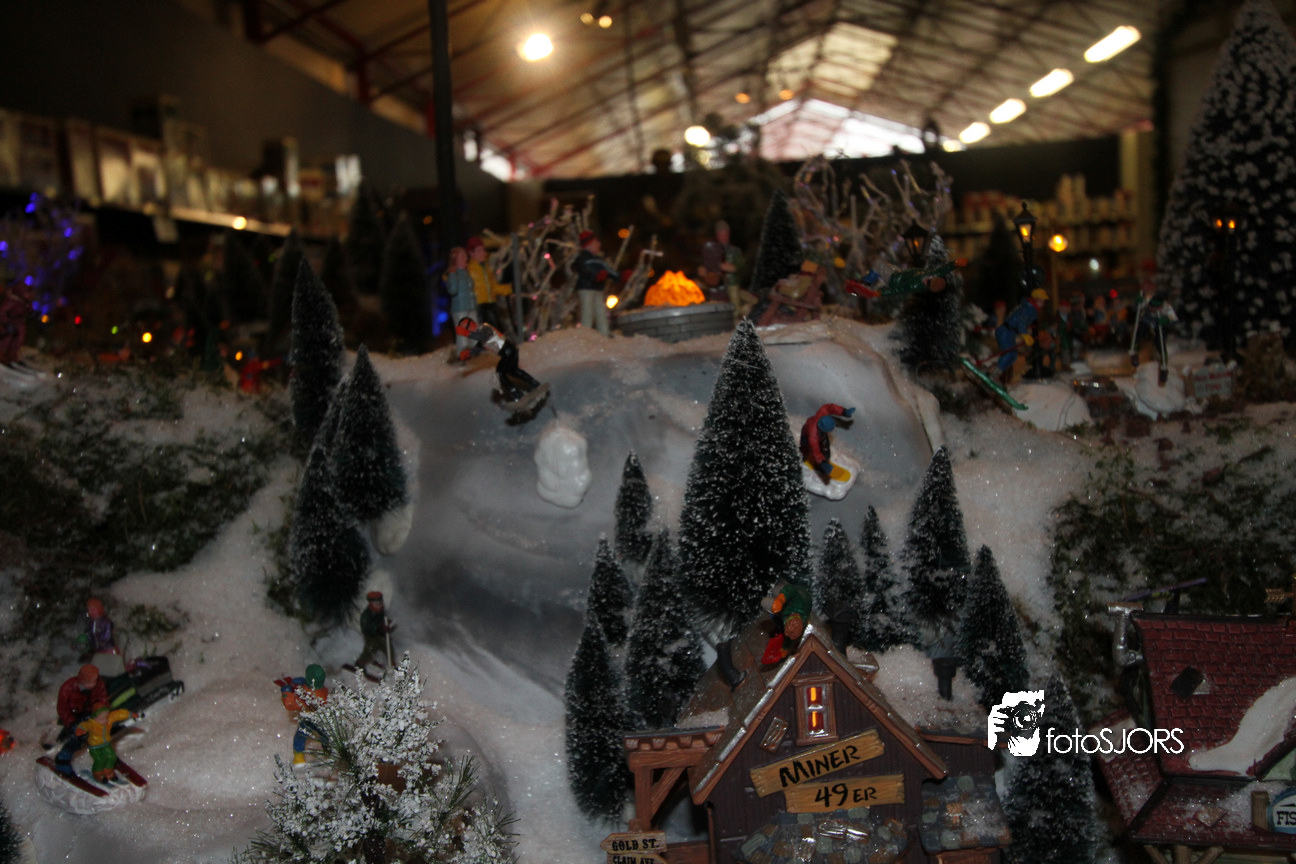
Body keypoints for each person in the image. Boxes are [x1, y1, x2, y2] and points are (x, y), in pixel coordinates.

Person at [457, 317, 543, 403]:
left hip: (507, 351)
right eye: (466, 328)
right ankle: (534, 384)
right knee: (513, 370)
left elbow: (483, 337)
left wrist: (466, 334)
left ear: (473, 322)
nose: (469, 329)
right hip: (508, 351)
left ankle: (517, 394)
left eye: (468, 325)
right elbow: (480, 347)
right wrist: (468, 352)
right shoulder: (480, 335)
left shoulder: (484, 328)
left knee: (500, 374)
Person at [53, 664, 109, 774]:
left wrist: (101, 713)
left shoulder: (99, 684)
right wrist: (72, 723)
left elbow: (102, 700)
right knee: (78, 736)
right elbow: (62, 709)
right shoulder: (67, 688)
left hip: (91, 714)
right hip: (74, 717)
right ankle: (63, 758)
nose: (95, 682)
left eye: (95, 680)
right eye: (92, 681)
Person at [995, 289, 1048, 383]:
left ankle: (1001, 375)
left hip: (1010, 333)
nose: (1042, 304)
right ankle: (995, 374)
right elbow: (1021, 324)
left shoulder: (1030, 309)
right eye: (1041, 301)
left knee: (1013, 355)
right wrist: (1025, 335)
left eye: (1043, 302)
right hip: (1006, 332)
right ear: (1035, 300)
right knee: (1009, 353)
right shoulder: (1028, 309)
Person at [281, 664, 329, 767]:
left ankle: (299, 759)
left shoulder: (307, 695)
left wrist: (286, 693)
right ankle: (329, 755)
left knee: (300, 738)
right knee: (325, 737)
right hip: (321, 719)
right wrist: (303, 684)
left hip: (307, 720)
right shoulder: (323, 690)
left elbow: (290, 704)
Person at [74, 702, 134, 784]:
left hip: (106, 744)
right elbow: (84, 725)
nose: (105, 720)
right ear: (95, 717)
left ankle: (108, 772)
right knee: (100, 759)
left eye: (106, 717)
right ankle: (98, 774)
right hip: (95, 747)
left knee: (111, 756)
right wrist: (80, 729)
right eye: (101, 718)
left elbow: (118, 714)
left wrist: (130, 714)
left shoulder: (108, 720)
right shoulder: (92, 724)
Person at [572, 231, 618, 336]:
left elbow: (608, 271)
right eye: (596, 242)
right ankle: (586, 333)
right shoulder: (582, 259)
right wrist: (595, 276)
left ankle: (604, 332)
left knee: (601, 312)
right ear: (589, 244)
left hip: (597, 288)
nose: (599, 244)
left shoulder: (598, 260)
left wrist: (619, 276)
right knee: (587, 311)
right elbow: (584, 271)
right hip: (586, 289)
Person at [465, 237, 512, 332]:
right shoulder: (469, 270)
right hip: (478, 305)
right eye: (479, 251)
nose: (483, 253)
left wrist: (508, 289)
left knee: (495, 329)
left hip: (490, 302)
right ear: (471, 253)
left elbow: (493, 286)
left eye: (483, 250)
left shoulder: (485, 268)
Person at [799, 403, 855, 481]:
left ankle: (824, 461)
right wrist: (822, 463)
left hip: (820, 434)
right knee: (805, 448)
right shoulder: (813, 436)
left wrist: (843, 411)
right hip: (806, 434)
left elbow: (830, 407)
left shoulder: (822, 414)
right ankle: (803, 458)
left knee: (825, 448)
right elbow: (815, 450)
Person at [698, 220, 744, 308]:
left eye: (726, 234)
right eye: (721, 234)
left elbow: (742, 265)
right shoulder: (711, 250)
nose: (724, 237)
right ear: (717, 235)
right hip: (714, 285)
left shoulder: (734, 251)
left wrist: (733, 268)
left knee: (734, 302)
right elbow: (706, 263)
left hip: (730, 284)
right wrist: (703, 270)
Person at [443, 246, 477, 357]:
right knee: (463, 334)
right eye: (462, 256)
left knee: (474, 332)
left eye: (465, 255)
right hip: (460, 308)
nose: (465, 258)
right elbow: (453, 290)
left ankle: (474, 353)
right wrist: (452, 274)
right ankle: (463, 355)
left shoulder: (466, 273)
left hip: (470, 306)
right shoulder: (453, 274)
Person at [355, 591, 395, 671]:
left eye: (380, 603)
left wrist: (387, 623)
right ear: (371, 604)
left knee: (387, 646)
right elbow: (367, 627)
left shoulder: (381, 612)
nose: (379, 605)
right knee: (371, 647)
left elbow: (382, 621)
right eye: (376, 604)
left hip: (380, 635)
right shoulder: (366, 615)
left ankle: (392, 664)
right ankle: (360, 663)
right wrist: (379, 628)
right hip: (370, 636)